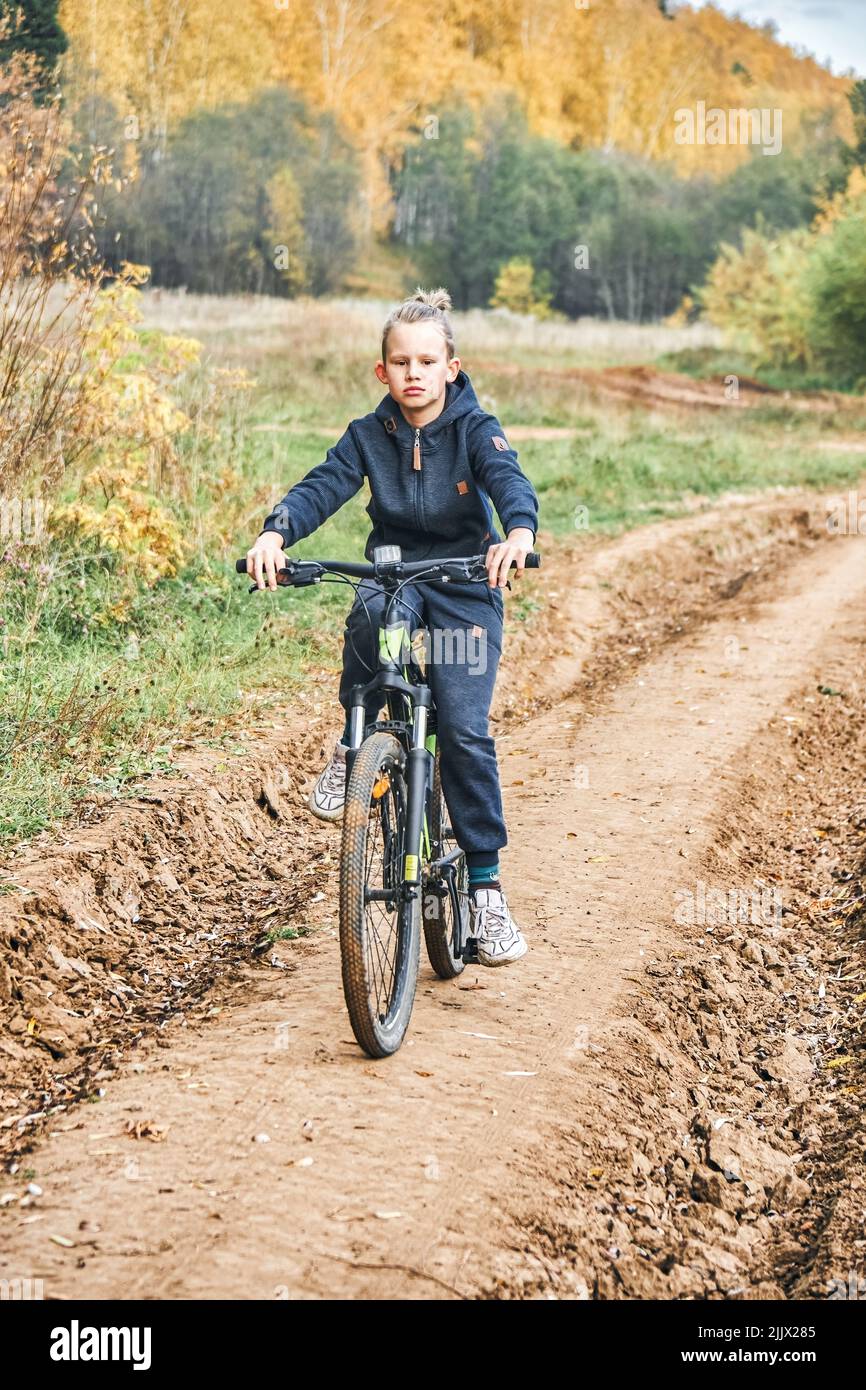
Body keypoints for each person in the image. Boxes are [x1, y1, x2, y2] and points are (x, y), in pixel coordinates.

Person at [245, 288, 539, 966]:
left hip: (466, 587)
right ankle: (356, 750)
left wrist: (516, 533)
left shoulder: (474, 428)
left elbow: (508, 479)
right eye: (400, 362)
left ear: (451, 368)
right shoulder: (366, 436)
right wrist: (273, 533)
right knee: (372, 615)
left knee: (463, 729)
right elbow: (321, 486)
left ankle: (487, 890)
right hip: (395, 577)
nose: (413, 373)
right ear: (383, 372)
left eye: (427, 361)